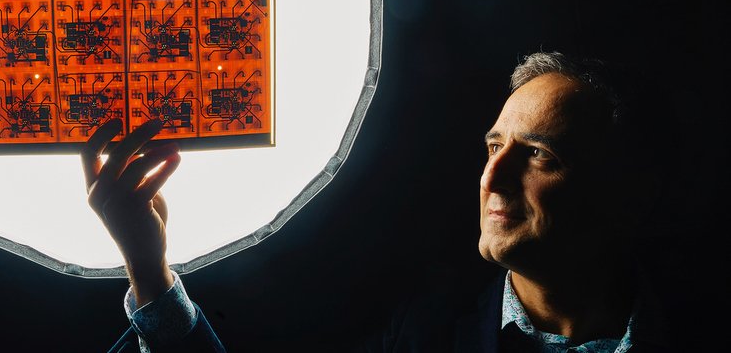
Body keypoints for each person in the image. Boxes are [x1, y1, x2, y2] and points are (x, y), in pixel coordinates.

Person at [81, 52, 671, 352]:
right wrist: (149, 271)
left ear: (626, 188)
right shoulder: (419, 335)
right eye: (494, 146)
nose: (493, 176)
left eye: (539, 153)